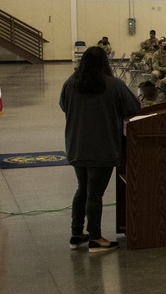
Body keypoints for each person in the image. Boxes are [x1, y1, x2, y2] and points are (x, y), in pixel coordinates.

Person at [60, 46, 141, 253]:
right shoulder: (114, 85)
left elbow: (63, 106)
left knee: (82, 188)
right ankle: (95, 238)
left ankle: (76, 233)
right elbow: (133, 108)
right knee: (95, 193)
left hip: (77, 145)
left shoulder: (70, 84)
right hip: (102, 147)